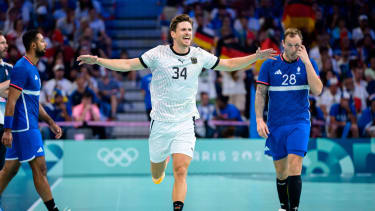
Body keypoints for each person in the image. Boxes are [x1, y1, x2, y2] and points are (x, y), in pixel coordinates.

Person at [77, 14, 277, 211]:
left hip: (185, 123)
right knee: (156, 174)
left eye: (190, 29)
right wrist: (98, 61)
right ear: (173, 33)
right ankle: (160, 165)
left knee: (181, 170)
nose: (188, 33)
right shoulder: (158, 54)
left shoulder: (199, 55)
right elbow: (128, 64)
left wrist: (255, 58)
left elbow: (227, 64)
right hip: (160, 123)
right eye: (183, 29)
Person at [255, 28, 323, 211]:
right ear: (283, 44)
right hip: (276, 125)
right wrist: (259, 119)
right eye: (290, 45)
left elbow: (317, 90)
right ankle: (284, 206)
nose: (294, 49)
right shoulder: (269, 65)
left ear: (302, 46)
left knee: (295, 164)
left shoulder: (308, 63)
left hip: (299, 123)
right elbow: (260, 93)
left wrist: (307, 62)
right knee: (281, 172)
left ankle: (294, 208)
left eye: (297, 45)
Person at [0, 30, 63, 211]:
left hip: (28, 125)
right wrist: (7, 130)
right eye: (42, 41)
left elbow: (34, 102)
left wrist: (50, 122)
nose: (46, 44)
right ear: (33, 45)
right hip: (24, 127)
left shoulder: (32, 69)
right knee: (40, 169)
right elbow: (11, 100)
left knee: (9, 170)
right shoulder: (22, 68)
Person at [0, 32, 12, 170]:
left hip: (3, 124)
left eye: (6, 43)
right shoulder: (13, 76)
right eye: (2, 43)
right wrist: (10, 82)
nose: (6, 46)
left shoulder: (10, 68)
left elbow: (16, 94)